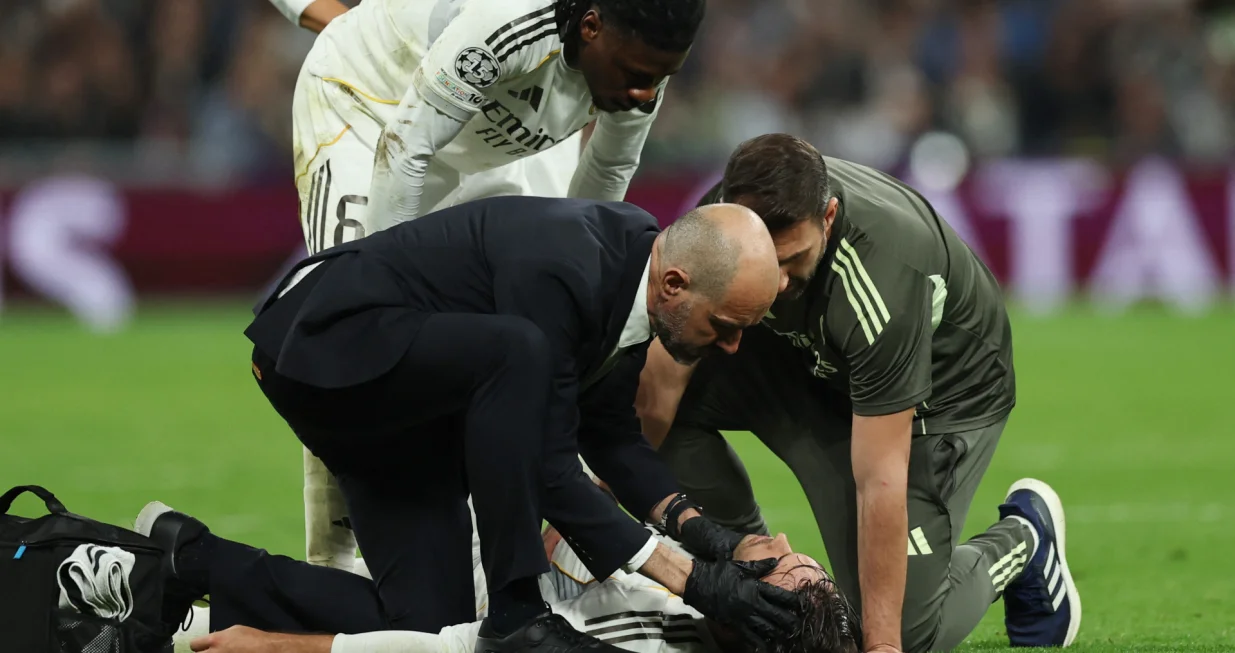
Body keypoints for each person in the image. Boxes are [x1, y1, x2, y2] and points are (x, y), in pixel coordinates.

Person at [145, 197, 796, 651]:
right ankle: (517, 611)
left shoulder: (636, 278)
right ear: (675, 284)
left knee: (432, 628)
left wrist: (712, 542)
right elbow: (547, 465)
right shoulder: (568, 270)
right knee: (518, 355)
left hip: (404, 406)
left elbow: (612, 435)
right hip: (323, 341)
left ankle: (182, 562)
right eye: (726, 327)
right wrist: (690, 579)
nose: (731, 348)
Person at [635, 134, 1081, 653]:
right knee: (672, 401)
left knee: (903, 630)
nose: (774, 285)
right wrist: (598, 510)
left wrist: (882, 650)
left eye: (791, 259)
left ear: (827, 217)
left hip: (938, 396)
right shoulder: (724, 228)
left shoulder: (880, 279)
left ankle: (1025, 541)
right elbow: (658, 383)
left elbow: (881, 478)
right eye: (763, 261)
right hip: (805, 361)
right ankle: (750, 574)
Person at [267, 0, 593, 575]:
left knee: (495, 355)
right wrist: (338, 20)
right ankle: (334, 563)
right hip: (376, 98)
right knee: (346, 328)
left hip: (518, 144)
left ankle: (475, 577)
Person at [172, 510, 861, 653]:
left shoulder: (639, 639)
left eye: (777, 563)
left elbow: (451, 648)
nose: (779, 542)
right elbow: (565, 526)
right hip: (489, 563)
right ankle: (185, 569)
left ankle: (181, 567)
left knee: (409, 609)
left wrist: (279, 649)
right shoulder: (689, 604)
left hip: (464, 598)